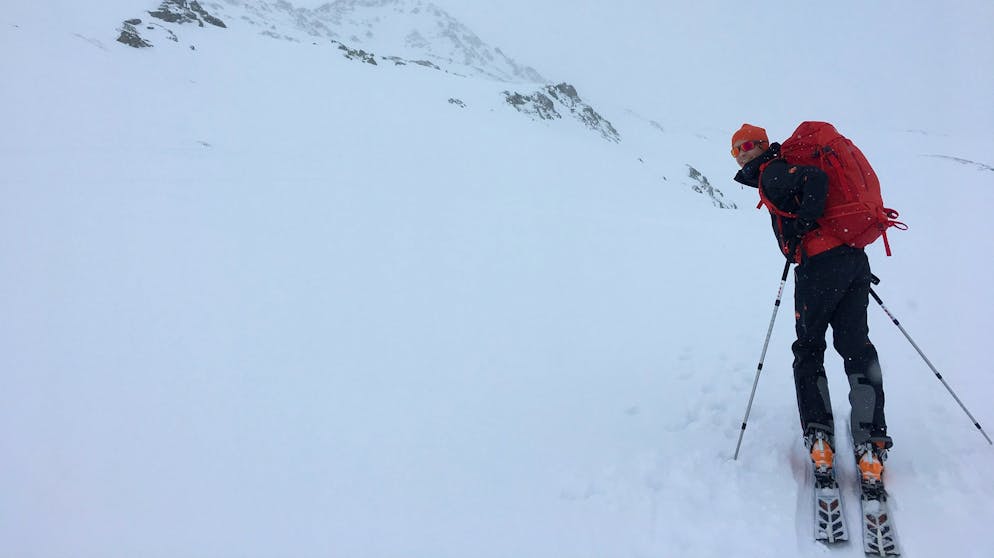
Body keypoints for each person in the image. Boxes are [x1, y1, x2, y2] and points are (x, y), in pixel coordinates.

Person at [730, 123, 891, 487]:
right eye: (736, 149)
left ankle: (820, 439)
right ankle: (871, 445)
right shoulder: (777, 167)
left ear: (762, 146)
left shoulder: (772, 173)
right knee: (856, 347)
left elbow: (815, 182)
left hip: (819, 268)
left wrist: (803, 226)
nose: (742, 153)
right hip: (852, 261)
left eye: (748, 145)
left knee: (808, 350)